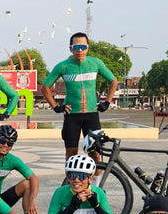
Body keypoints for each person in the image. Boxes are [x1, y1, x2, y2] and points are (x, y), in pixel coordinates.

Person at [39, 32, 119, 162]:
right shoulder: (63, 66)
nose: (80, 50)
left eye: (83, 47)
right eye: (76, 47)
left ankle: (95, 182)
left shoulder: (96, 63)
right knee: (71, 154)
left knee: (95, 155)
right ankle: (71, 182)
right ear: (71, 48)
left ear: (87, 47)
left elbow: (113, 81)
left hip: (91, 115)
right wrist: (56, 107)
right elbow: (45, 87)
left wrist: (107, 102)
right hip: (72, 116)